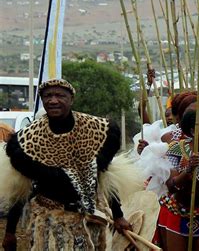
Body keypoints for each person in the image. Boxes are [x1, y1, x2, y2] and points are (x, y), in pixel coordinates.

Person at [1, 79, 133, 250]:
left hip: (89, 218)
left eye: (60, 95)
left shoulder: (94, 130)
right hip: (49, 220)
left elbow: (105, 177)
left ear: (71, 99)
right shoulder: (28, 140)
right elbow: (20, 190)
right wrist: (10, 232)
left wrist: (118, 216)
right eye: (48, 96)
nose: (53, 100)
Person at [157, 111, 199, 251]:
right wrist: (188, 170)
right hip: (178, 212)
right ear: (192, 131)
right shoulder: (176, 149)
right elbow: (171, 186)